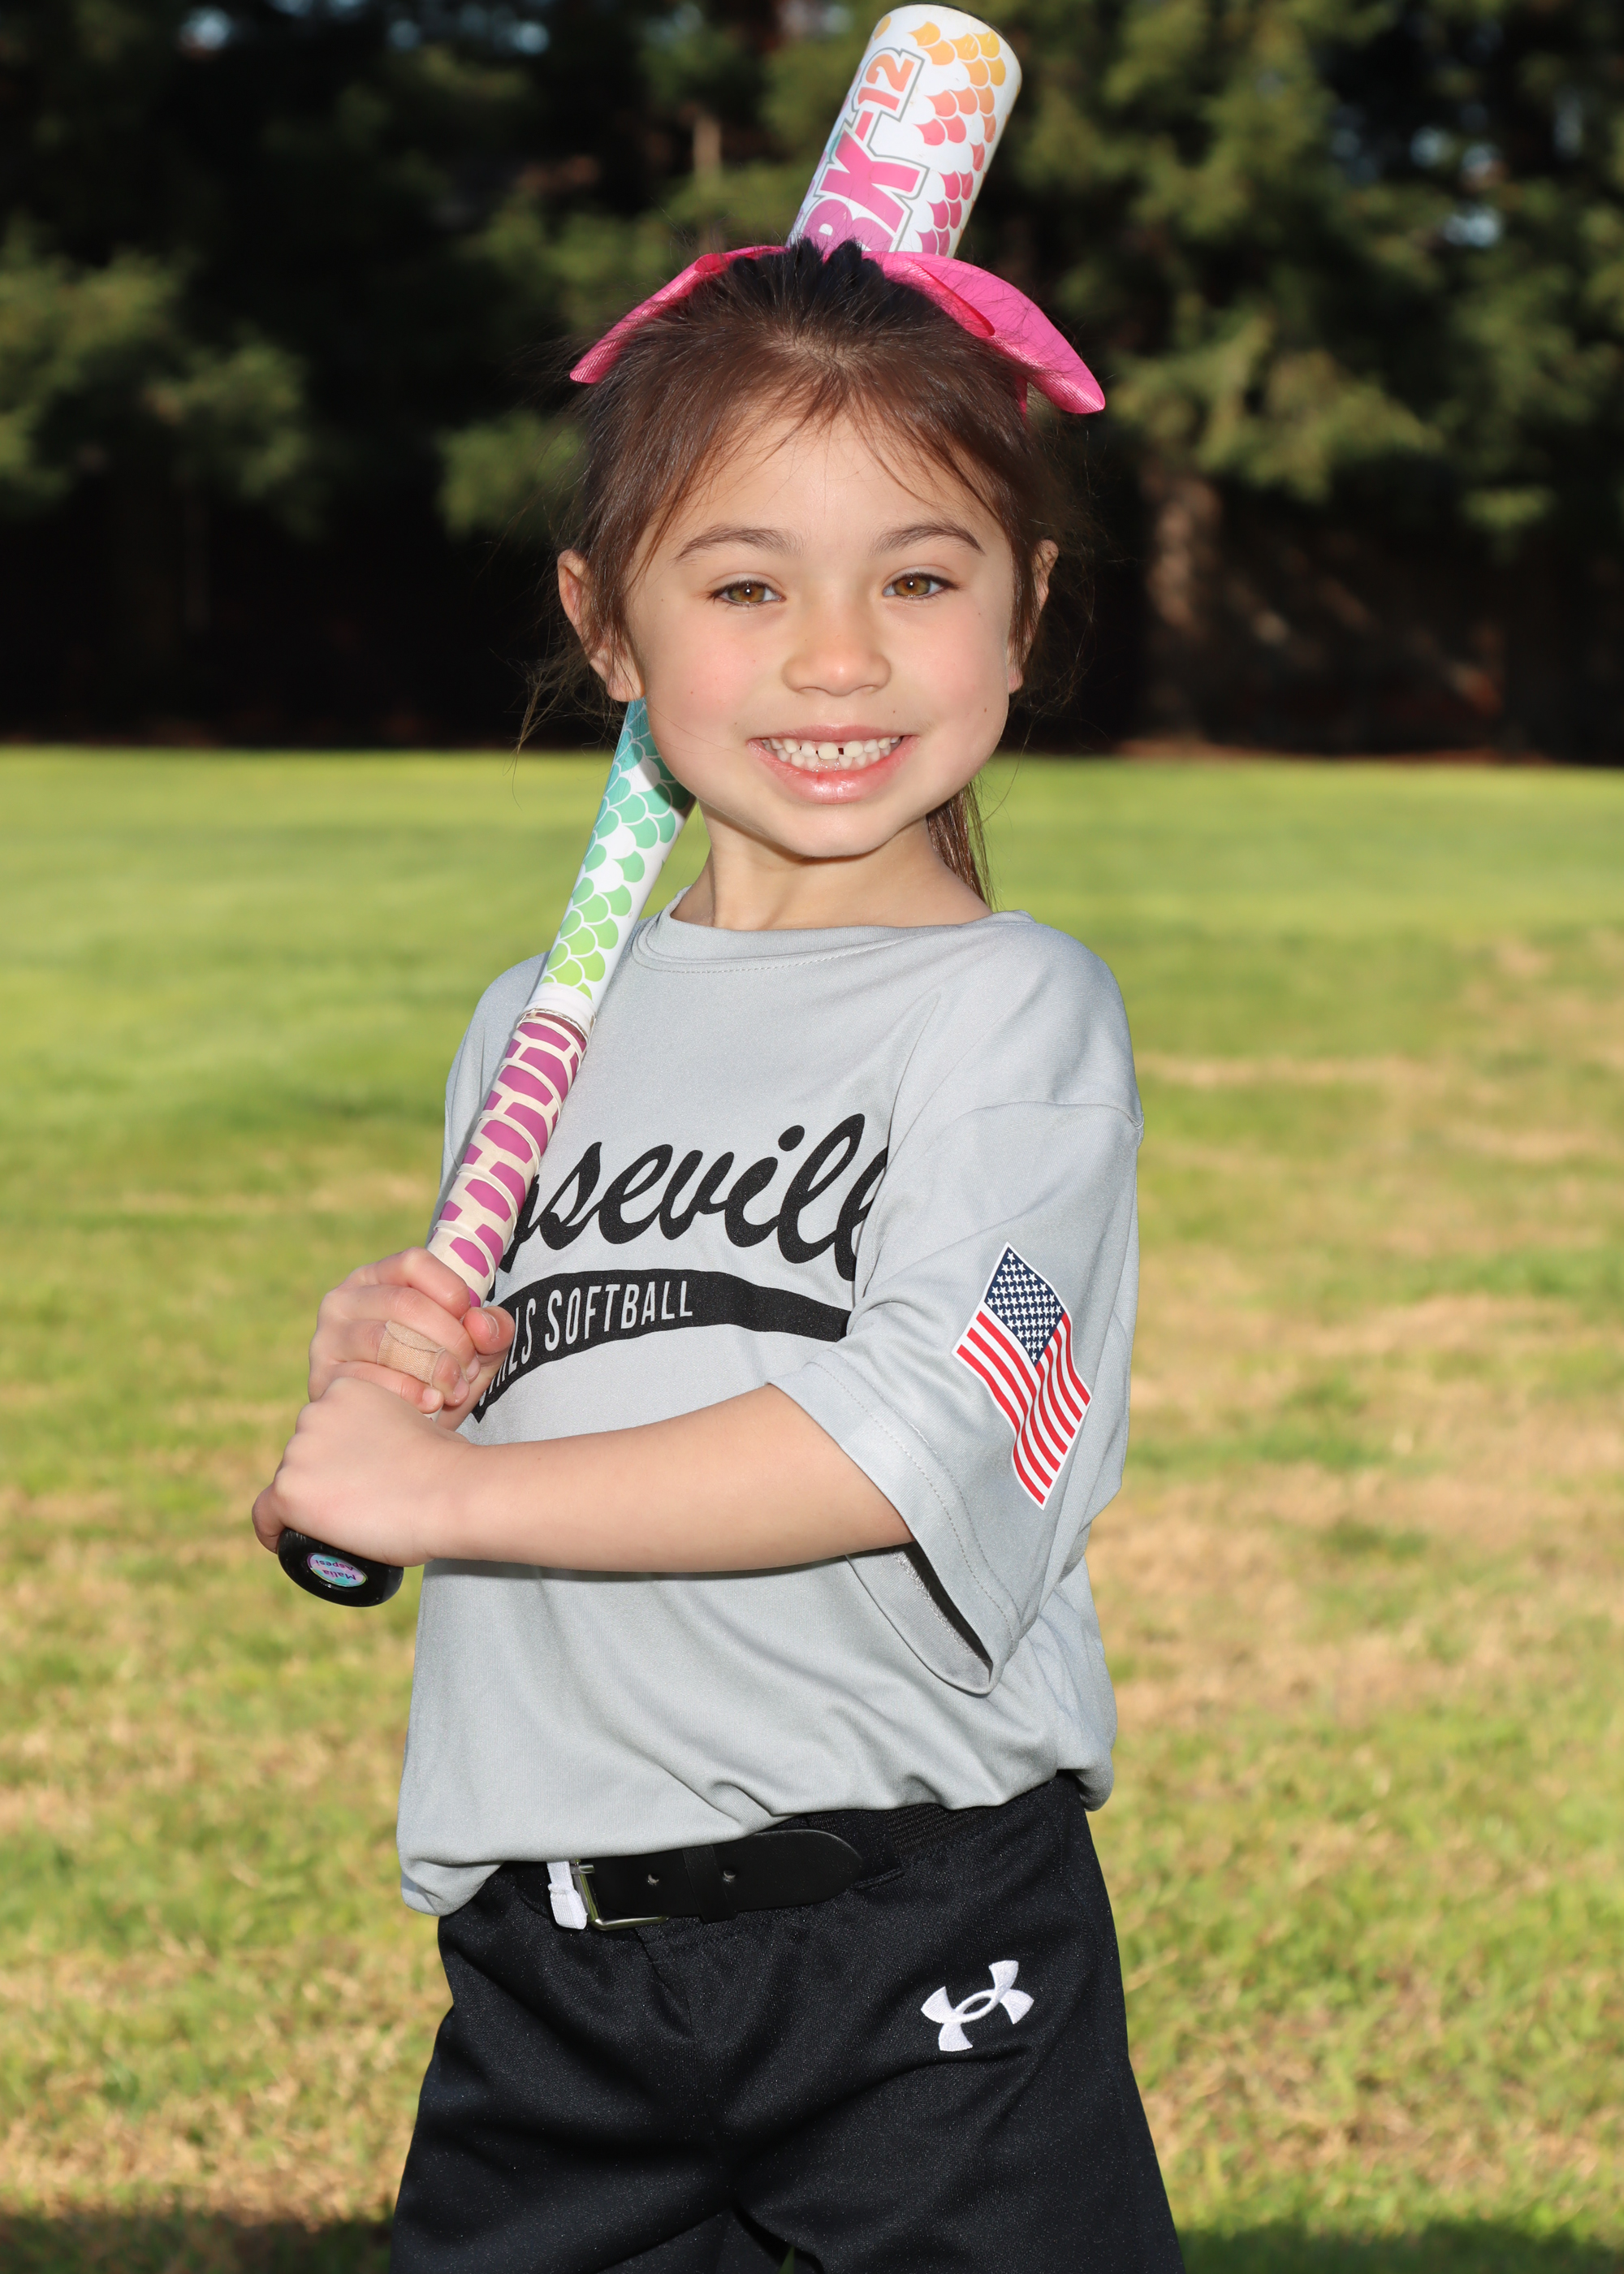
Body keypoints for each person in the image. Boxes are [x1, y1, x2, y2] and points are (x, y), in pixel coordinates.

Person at [253, 239, 1182, 2274]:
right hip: (552, 1975)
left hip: (913, 1952)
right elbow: (523, 1426)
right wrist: (393, 1398)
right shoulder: (534, 1023)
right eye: (745, 587)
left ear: (1025, 612)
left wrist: (449, 1492)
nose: (835, 659)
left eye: (918, 579)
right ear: (608, 623)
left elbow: (912, 1431)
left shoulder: (1009, 1010)